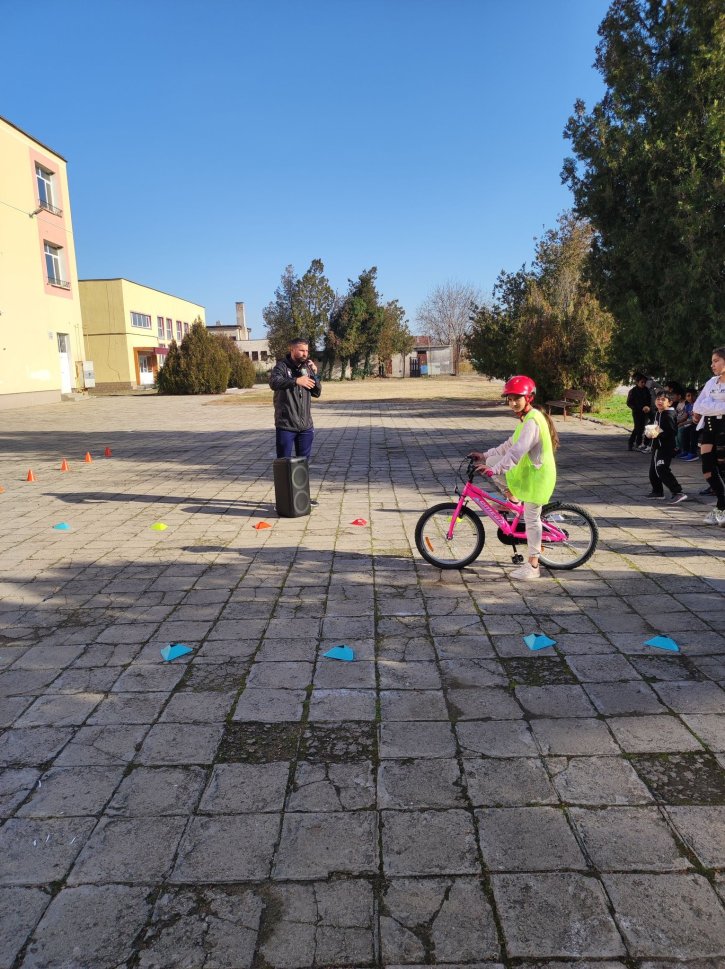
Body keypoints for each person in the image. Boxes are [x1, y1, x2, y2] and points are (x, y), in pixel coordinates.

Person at [469, 375, 558, 581]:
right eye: (509, 398)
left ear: (529, 398)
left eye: (517, 397)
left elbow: (517, 452)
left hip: (538, 477)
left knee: (531, 519)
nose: (512, 402)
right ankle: (513, 499)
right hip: (529, 474)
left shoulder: (533, 421)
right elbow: (509, 445)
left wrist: (497, 469)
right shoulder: (525, 420)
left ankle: (533, 565)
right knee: (490, 464)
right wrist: (485, 456)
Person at [268, 337, 321, 459]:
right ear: (292, 349)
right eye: (301, 350)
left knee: (302, 465)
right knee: (283, 463)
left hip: (305, 427)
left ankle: (302, 479)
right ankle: (284, 479)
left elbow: (317, 392)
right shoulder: (281, 367)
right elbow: (274, 383)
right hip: (286, 425)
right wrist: (296, 381)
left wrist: (315, 375)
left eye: (307, 351)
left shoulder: (307, 368)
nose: (305, 354)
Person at [692, 346, 725, 525]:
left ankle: (720, 507)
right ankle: (722, 505)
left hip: (723, 428)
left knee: (722, 468)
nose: (712, 365)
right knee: (707, 468)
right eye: (712, 361)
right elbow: (698, 406)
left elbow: (706, 406)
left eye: (716, 361)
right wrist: (714, 407)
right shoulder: (712, 382)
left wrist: (709, 406)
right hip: (710, 427)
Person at [644, 389, 687, 503]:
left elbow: (672, 431)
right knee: (653, 470)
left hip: (665, 447)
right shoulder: (659, 412)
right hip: (657, 446)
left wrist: (658, 433)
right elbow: (655, 425)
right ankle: (658, 491)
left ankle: (677, 492)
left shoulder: (668, 415)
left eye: (663, 400)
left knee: (661, 469)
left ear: (669, 403)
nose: (660, 401)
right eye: (658, 399)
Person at [626, 373, 652, 451]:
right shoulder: (633, 391)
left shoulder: (646, 390)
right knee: (637, 428)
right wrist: (637, 408)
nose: (643, 384)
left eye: (644, 382)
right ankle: (633, 442)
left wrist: (647, 407)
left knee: (642, 428)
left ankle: (638, 443)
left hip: (645, 411)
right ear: (637, 382)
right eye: (642, 382)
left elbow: (649, 399)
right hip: (637, 412)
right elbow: (629, 403)